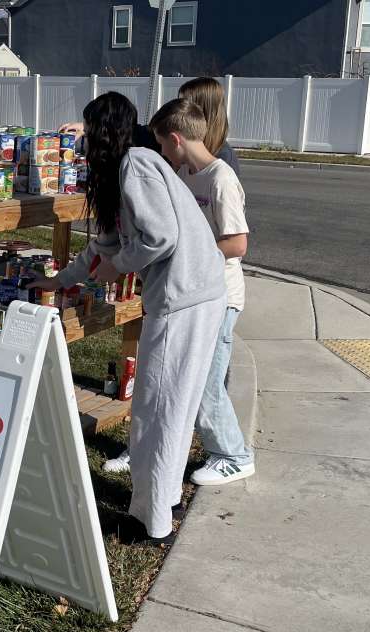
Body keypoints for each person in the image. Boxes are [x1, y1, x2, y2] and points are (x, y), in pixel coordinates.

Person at [30, 92, 225, 546]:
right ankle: (164, 500)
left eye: (87, 132)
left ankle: (149, 523)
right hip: (197, 295)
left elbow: (159, 238)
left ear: (103, 132)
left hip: (185, 300)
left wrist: (122, 266)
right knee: (170, 408)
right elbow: (105, 248)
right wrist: (61, 282)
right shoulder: (131, 169)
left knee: (157, 409)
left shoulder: (135, 163)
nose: (82, 144)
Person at [149, 98, 254, 485]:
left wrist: (192, 253)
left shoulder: (220, 178)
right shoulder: (188, 175)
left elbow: (237, 244)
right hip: (197, 293)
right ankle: (222, 448)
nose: (162, 153)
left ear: (176, 139)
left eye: (163, 145)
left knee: (207, 381)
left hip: (222, 297)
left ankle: (233, 455)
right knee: (195, 378)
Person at [59, 76, 241, 176]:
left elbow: (235, 241)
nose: (180, 107)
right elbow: (130, 130)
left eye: (185, 102)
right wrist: (87, 127)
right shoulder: (163, 139)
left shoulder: (223, 162)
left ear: (204, 111)